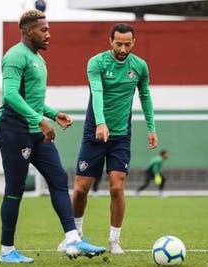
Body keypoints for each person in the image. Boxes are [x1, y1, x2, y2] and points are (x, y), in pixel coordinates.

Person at [0, 9, 105, 264]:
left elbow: (33, 101)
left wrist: (53, 114)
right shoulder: (14, 57)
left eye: (48, 29)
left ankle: (73, 239)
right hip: (12, 130)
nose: (48, 34)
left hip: (35, 130)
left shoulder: (38, 59)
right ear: (27, 31)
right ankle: (7, 251)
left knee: (58, 178)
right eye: (43, 30)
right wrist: (40, 121)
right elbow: (11, 96)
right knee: (15, 190)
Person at [57, 23, 157, 254]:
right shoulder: (96, 63)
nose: (123, 48)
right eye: (118, 43)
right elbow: (97, 92)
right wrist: (101, 123)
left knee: (117, 187)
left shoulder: (140, 66)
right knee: (81, 188)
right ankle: (76, 235)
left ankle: (114, 241)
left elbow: (145, 95)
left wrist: (152, 128)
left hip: (121, 136)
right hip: (94, 133)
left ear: (134, 42)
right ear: (110, 41)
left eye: (127, 44)